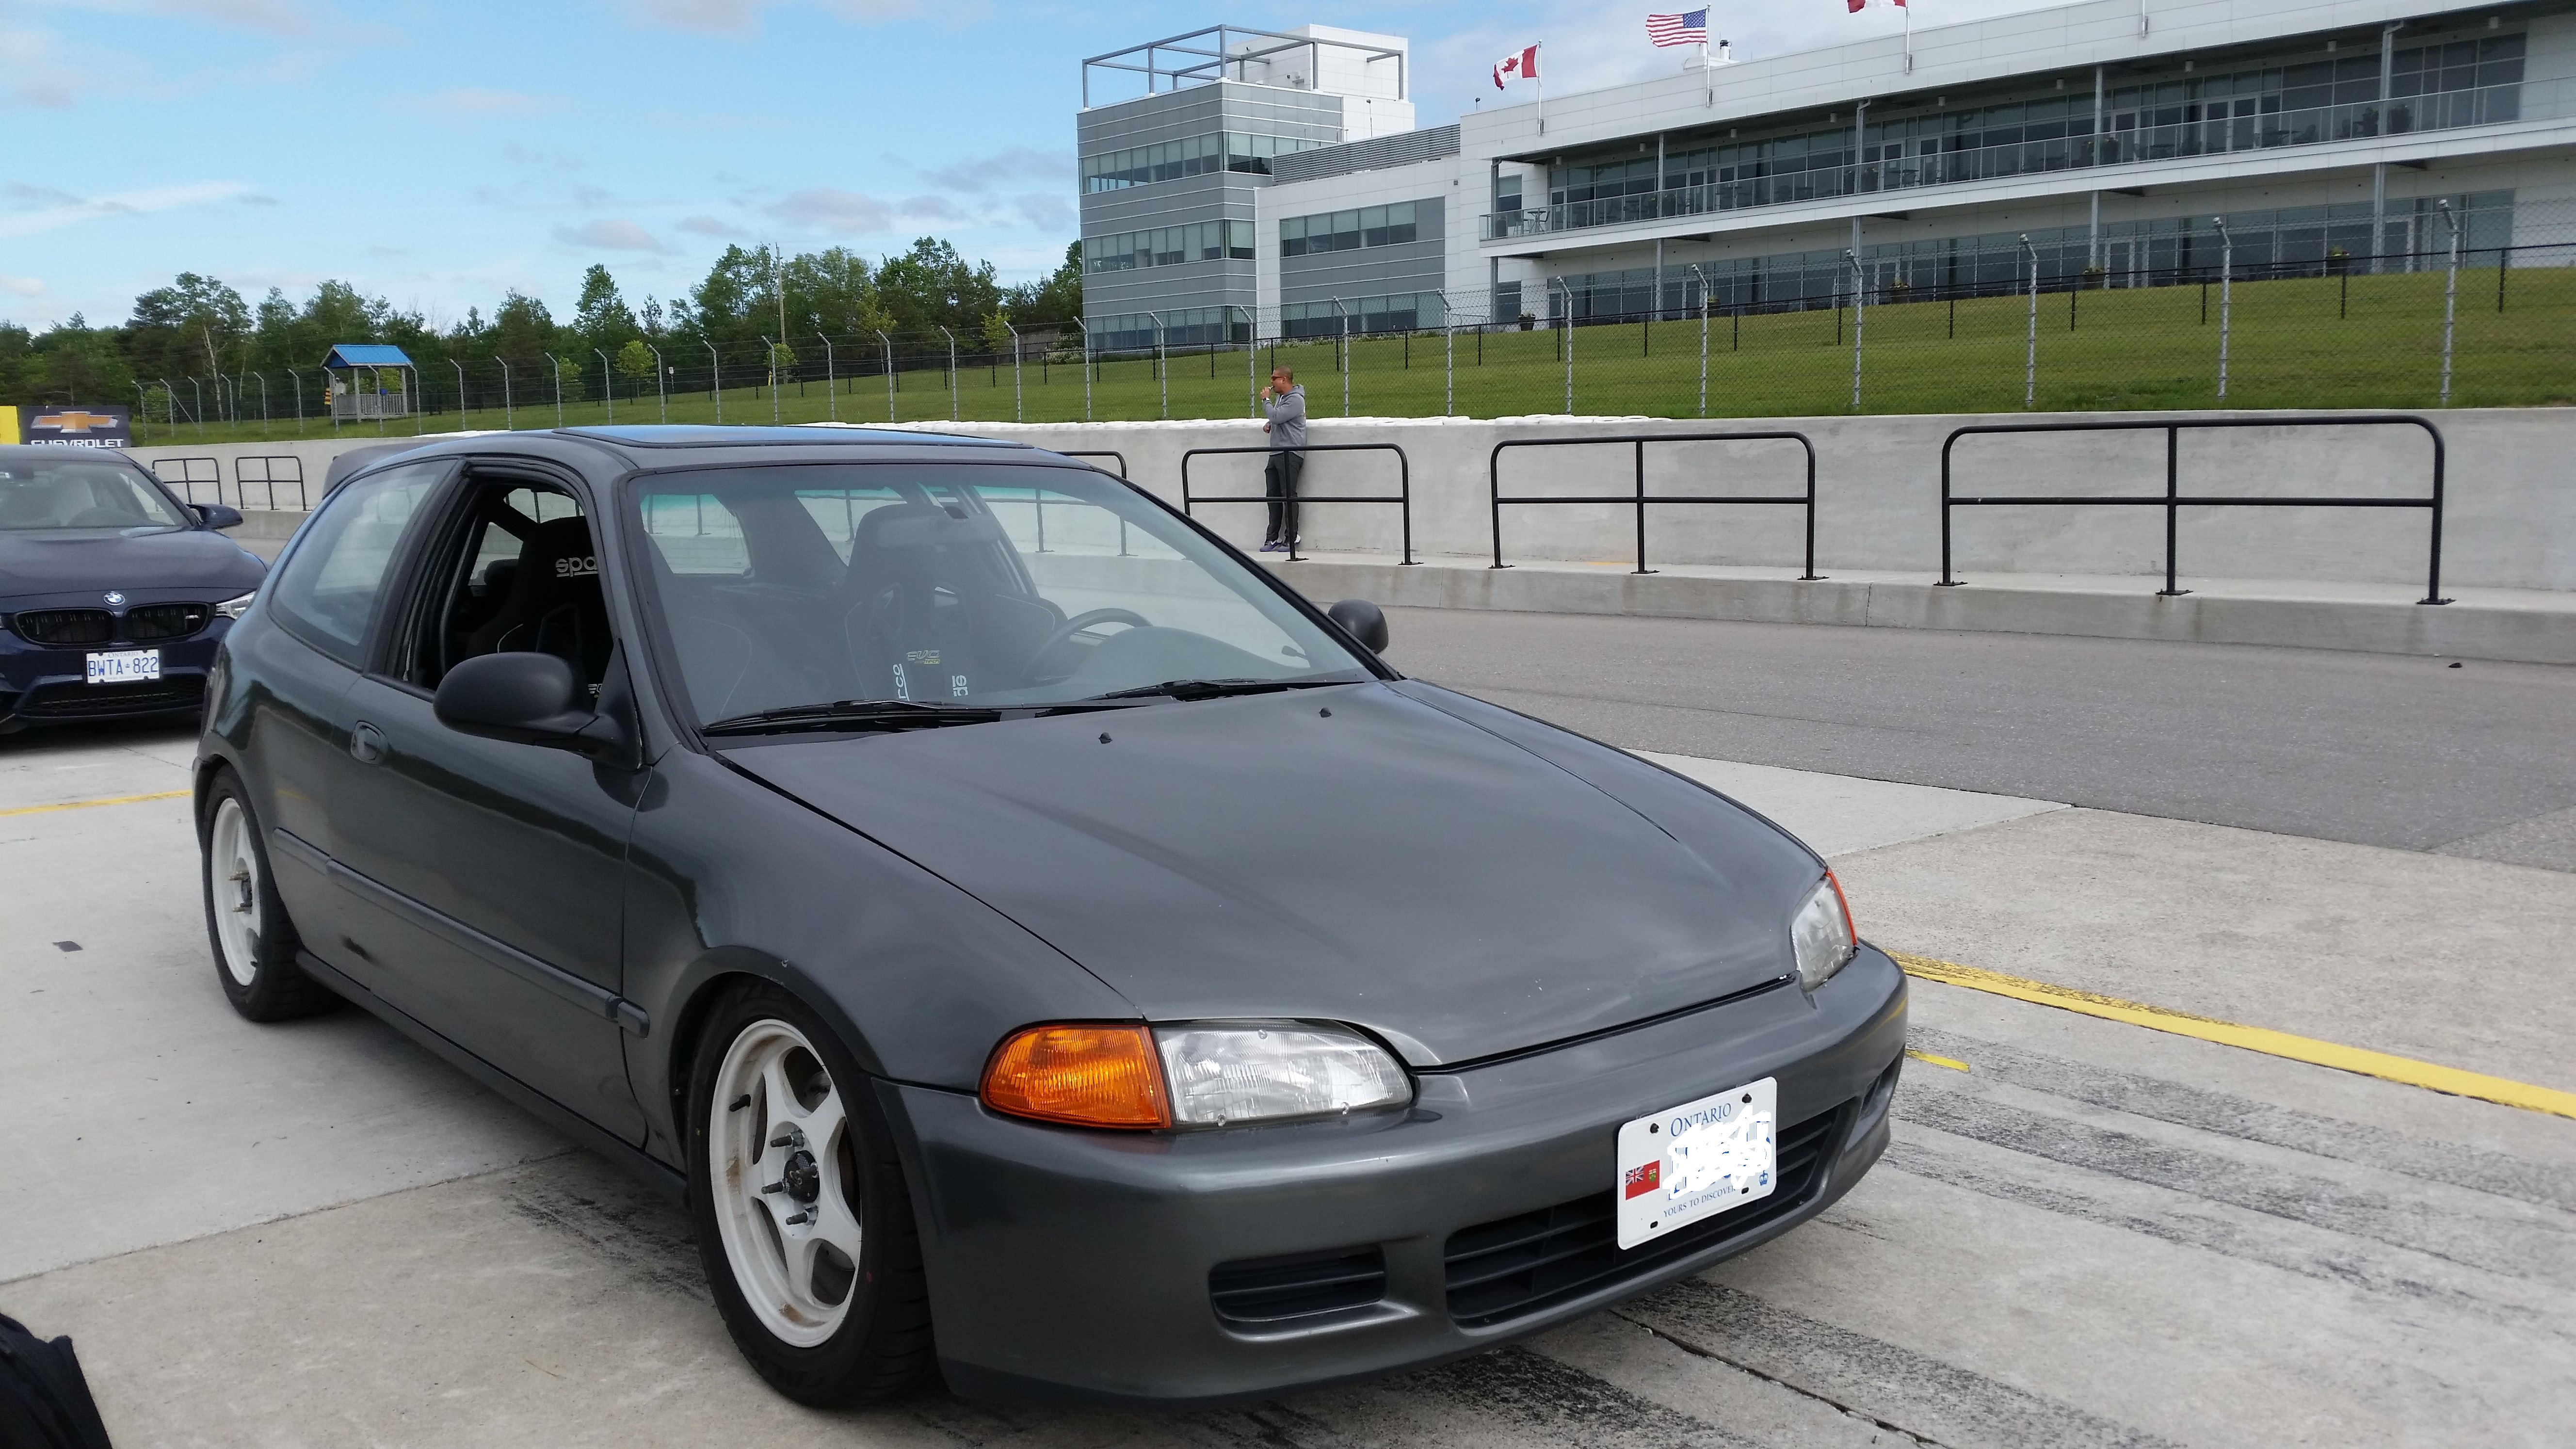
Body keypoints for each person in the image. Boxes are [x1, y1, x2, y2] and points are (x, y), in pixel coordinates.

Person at [1258, 366, 1305, 553]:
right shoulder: (1282, 399)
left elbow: (1278, 416)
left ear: (1284, 379)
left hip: (1291, 452)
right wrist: (1270, 424)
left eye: (1274, 378)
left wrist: (1266, 401)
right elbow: (1278, 419)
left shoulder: (1296, 399)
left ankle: (1292, 537)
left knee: (1288, 496)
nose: (1271, 382)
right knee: (1273, 496)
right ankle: (1272, 538)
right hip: (1276, 452)